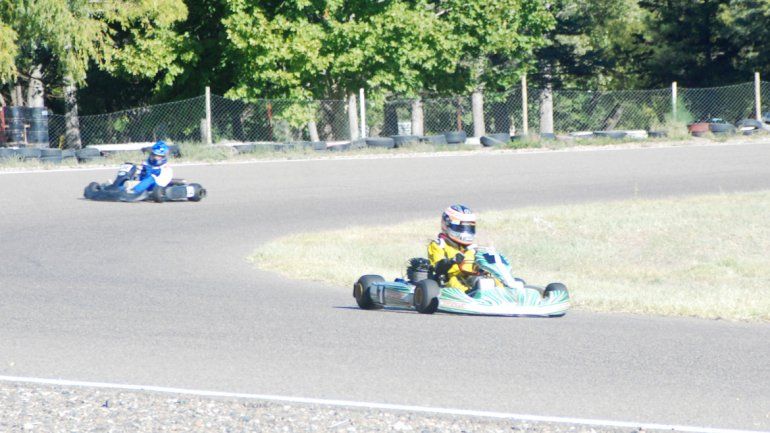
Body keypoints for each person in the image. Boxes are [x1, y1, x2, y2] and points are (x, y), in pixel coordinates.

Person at [427, 204, 479, 293]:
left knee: (487, 280)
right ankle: (470, 295)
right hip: (447, 279)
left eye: (469, 227)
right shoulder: (438, 245)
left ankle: (505, 291)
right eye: (461, 227)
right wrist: (452, 261)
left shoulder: (472, 248)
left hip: (469, 277)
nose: (466, 231)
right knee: (454, 281)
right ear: (446, 224)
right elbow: (438, 268)